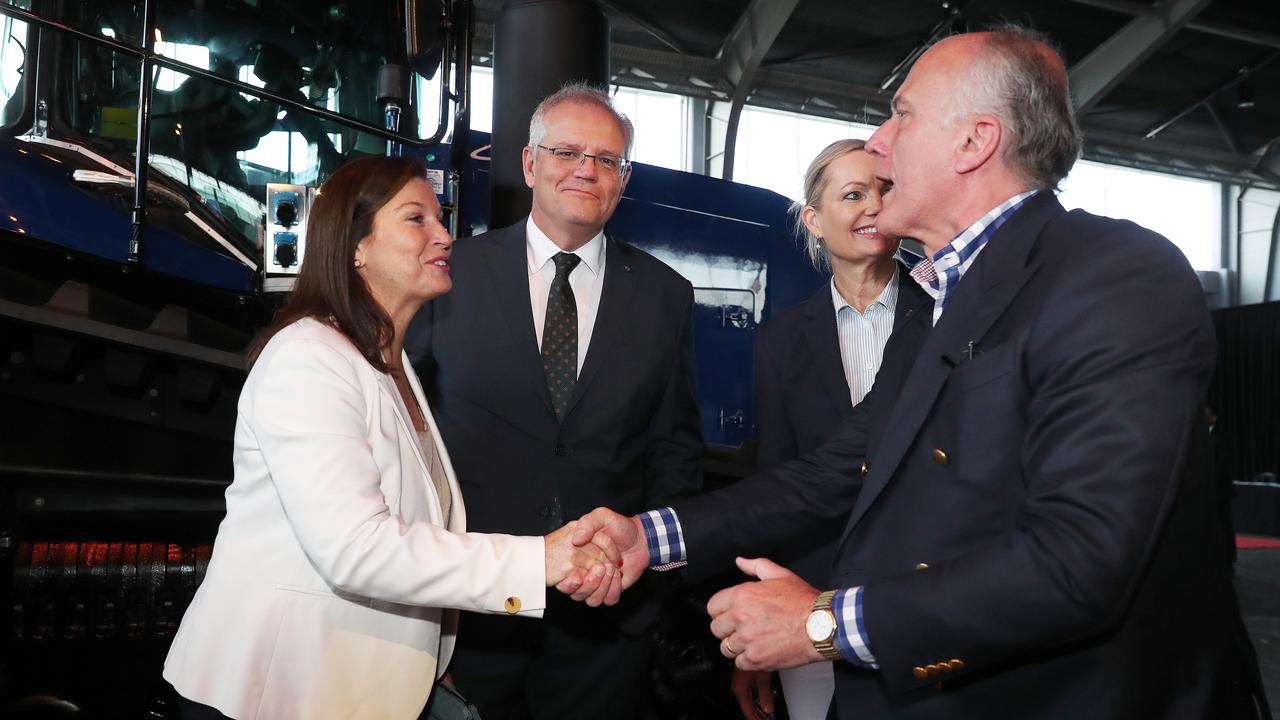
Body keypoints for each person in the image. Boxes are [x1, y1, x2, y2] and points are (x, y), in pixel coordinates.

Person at [574, 26, 1268, 719]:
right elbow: (837, 466)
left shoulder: (1114, 275)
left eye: (901, 114)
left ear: (975, 142)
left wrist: (823, 624)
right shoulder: (941, 303)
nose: (877, 141)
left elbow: (1080, 560)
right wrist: (652, 536)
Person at [162, 156, 620, 720]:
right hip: (278, 690)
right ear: (355, 247)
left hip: (357, 685)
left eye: (440, 217)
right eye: (416, 219)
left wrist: (432, 655)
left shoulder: (387, 363)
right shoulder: (308, 359)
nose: (444, 235)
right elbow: (356, 549)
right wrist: (536, 562)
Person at [406, 83, 702, 720]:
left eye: (608, 160)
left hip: (604, 620)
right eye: (567, 151)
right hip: (472, 609)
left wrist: (657, 586)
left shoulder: (666, 295)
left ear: (624, 179)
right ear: (529, 163)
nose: (587, 171)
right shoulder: (449, 274)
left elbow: (674, 449)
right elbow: (409, 428)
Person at [730, 139, 929, 720]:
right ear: (814, 220)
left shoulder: (945, 313)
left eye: (883, 190)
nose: (873, 205)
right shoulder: (781, 340)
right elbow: (776, 484)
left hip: (918, 595)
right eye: (853, 194)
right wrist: (756, 639)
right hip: (809, 598)